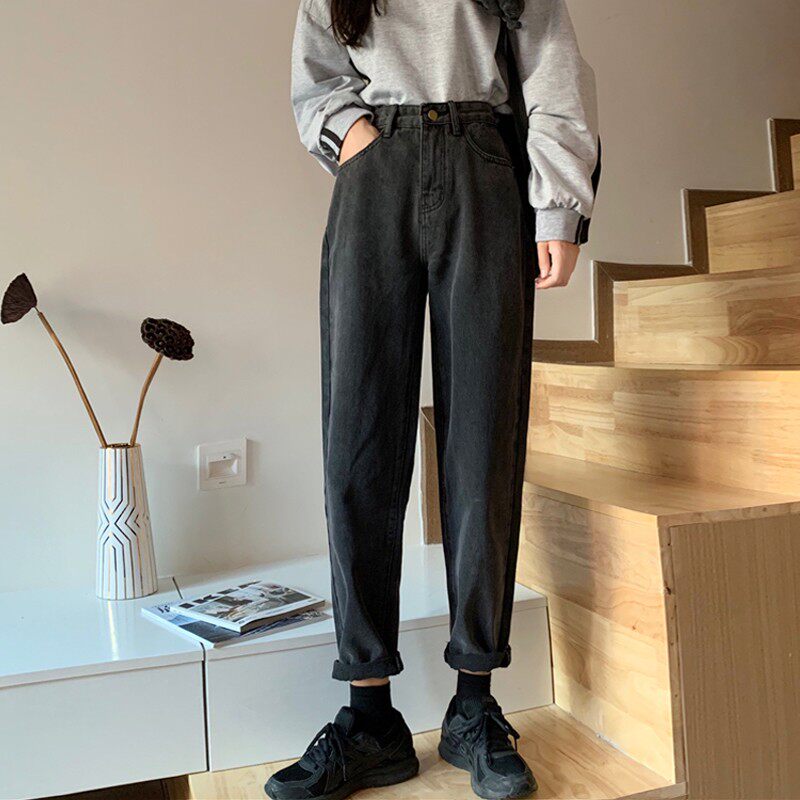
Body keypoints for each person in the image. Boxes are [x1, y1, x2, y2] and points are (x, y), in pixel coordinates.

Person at [267, 1, 599, 798]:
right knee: (358, 445)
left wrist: (557, 205)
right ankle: (369, 720)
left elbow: (552, 71)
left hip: (486, 163)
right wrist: (360, 139)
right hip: (374, 174)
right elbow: (317, 77)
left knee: (482, 443)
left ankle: (473, 707)